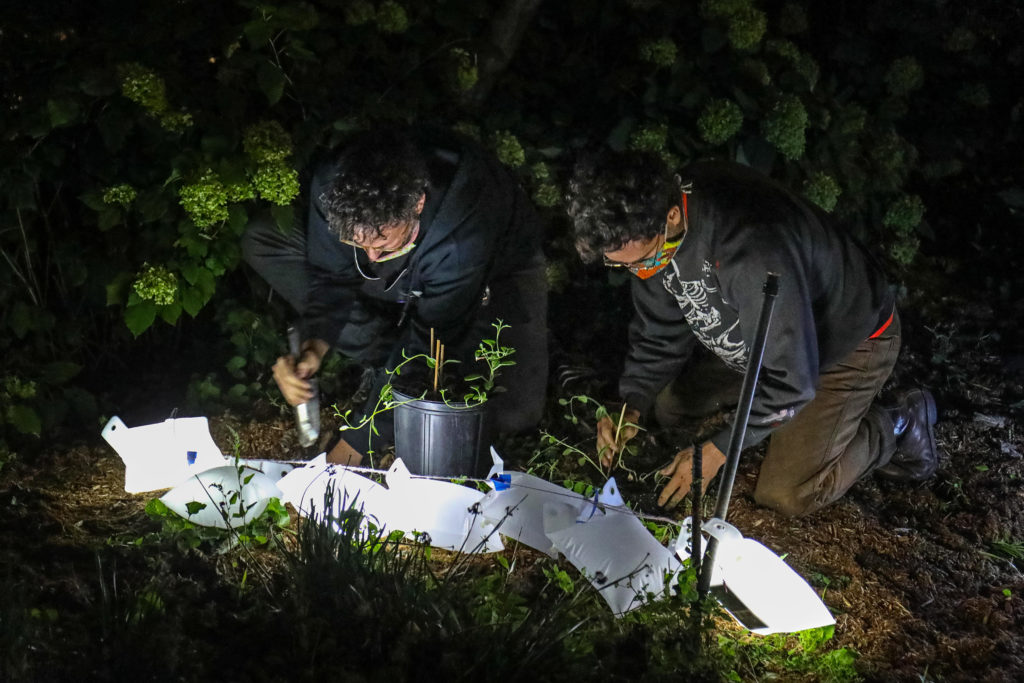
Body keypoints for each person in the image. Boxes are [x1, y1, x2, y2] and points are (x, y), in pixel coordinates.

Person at [566, 150, 940, 517]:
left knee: (786, 494)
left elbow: (793, 381)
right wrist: (632, 401)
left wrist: (718, 449)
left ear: (673, 215)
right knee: (669, 407)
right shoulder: (649, 220)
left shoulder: (753, 248)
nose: (640, 273)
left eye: (643, 262)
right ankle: (784, 423)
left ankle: (899, 420)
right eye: (621, 265)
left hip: (844, 343)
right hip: (761, 336)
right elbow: (659, 333)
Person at [242, 127, 548, 464]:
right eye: (358, 244)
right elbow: (330, 279)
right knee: (265, 238)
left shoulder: (462, 233)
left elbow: (429, 342)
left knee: (514, 413)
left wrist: (358, 442)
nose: (371, 256)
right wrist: (315, 346)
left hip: (499, 268)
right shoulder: (334, 186)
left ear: (418, 203)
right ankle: (383, 356)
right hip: (407, 270)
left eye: (382, 244)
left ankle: (394, 372)